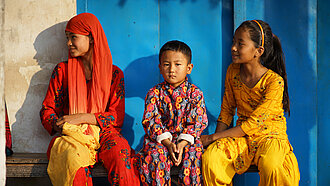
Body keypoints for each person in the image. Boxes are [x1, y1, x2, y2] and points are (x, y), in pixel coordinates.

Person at [40, 13, 140, 186]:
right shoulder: (62, 71)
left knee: (120, 154)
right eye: (67, 38)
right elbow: (47, 110)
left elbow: (116, 117)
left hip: (105, 134)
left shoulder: (114, 74)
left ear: (92, 38)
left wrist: (82, 117)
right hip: (73, 136)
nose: (68, 43)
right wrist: (58, 123)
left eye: (74, 37)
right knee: (72, 161)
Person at [201, 20, 300, 186]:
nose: (233, 47)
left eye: (240, 44)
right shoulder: (232, 71)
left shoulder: (274, 82)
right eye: (233, 42)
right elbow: (227, 110)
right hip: (243, 139)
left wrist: (212, 137)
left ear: (258, 51)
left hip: (270, 138)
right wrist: (215, 144)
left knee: (272, 165)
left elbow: (254, 123)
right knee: (211, 158)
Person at [139, 40, 208, 185]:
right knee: (155, 155)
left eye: (178, 64)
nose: (171, 69)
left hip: (187, 141)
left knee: (194, 154)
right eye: (166, 64)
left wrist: (182, 143)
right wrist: (167, 142)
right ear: (160, 67)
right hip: (161, 141)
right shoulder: (154, 93)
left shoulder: (195, 93)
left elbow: (198, 121)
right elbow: (151, 120)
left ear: (189, 68)